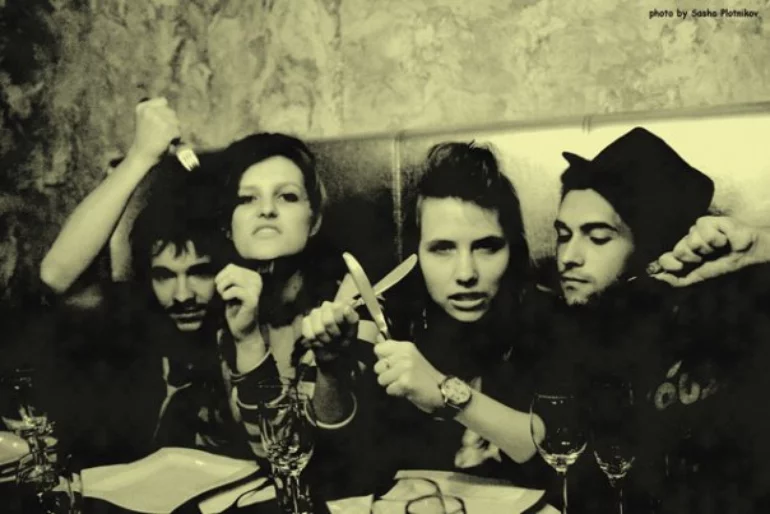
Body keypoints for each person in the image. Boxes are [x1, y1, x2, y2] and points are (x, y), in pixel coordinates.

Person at [301, 141, 550, 497]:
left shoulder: (546, 317)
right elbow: (337, 470)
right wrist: (329, 371)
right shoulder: (389, 319)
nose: (466, 273)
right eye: (442, 248)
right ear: (415, 254)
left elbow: (556, 451)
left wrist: (443, 391)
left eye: (487, 246)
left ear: (514, 249)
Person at [546, 127, 770, 513]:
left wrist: (763, 246)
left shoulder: (743, 315)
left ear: (652, 247)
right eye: (564, 236)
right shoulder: (575, 327)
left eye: (597, 238)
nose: (569, 256)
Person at [32, 98, 248, 466]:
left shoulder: (248, 325)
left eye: (199, 273)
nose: (182, 295)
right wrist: (140, 157)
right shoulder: (132, 323)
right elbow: (54, 275)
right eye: (165, 276)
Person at [208, 132, 378, 500]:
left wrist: (332, 366)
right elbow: (273, 454)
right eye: (246, 198)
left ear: (314, 220)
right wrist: (247, 338)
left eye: (287, 196)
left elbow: (339, 460)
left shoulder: (353, 296)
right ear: (227, 226)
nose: (266, 210)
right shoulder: (225, 309)